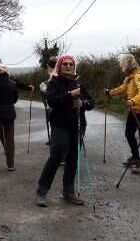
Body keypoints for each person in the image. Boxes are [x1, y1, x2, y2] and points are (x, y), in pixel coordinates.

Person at [35, 54, 95, 207]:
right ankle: (42, 191)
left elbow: (92, 102)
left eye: (71, 64)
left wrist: (83, 103)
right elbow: (52, 101)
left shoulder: (78, 82)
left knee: (73, 159)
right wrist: (70, 95)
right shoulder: (54, 83)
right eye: (65, 64)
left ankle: (68, 192)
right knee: (56, 156)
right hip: (59, 125)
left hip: (77, 125)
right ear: (59, 66)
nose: (68, 66)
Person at [106, 54, 140, 174]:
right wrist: (110, 92)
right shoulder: (130, 77)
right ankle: (135, 157)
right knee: (129, 133)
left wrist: (132, 101)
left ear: (128, 64)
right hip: (133, 110)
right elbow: (123, 88)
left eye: (123, 65)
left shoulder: (139, 76)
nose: (122, 67)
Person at [0, 64, 34, 172]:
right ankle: (10, 165)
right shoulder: (12, 84)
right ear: (7, 72)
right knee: (10, 140)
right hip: (9, 115)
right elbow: (15, 99)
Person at [40, 56, 58, 146]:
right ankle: (53, 138)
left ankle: (54, 139)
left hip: (52, 105)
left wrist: (44, 87)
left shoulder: (54, 75)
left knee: (53, 122)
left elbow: (50, 89)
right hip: (52, 105)